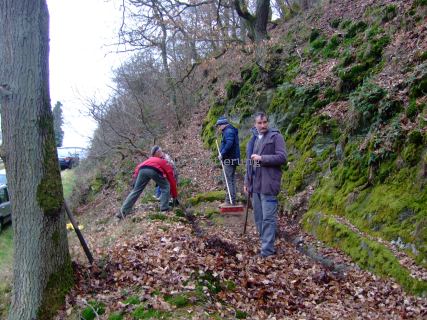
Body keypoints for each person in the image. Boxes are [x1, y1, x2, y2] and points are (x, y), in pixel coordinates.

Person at [244, 112, 287, 257]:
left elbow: (282, 158)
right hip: (255, 186)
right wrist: (247, 181)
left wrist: (262, 158)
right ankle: (265, 245)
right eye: (259, 123)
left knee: (268, 219)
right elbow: (250, 163)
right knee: (259, 218)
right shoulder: (254, 140)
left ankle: (267, 251)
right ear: (255, 125)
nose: (263, 125)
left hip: (269, 185)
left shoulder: (276, 137)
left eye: (265, 122)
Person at [117, 145, 178, 219]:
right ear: (157, 153)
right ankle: (164, 208)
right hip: (153, 170)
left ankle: (123, 212)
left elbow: (138, 168)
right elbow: (171, 179)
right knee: (166, 186)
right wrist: (174, 196)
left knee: (136, 190)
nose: (162, 153)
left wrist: (135, 181)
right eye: (161, 151)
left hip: (142, 170)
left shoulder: (148, 160)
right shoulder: (164, 162)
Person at [216, 116, 240, 205]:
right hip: (232, 159)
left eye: (219, 125)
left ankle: (229, 201)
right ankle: (232, 200)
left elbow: (229, 143)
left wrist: (222, 154)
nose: (218, 127)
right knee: (231, 179)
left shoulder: (228, 131)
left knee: (228, 180)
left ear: (223, 124)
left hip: (229, 159)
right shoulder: (229, 130)